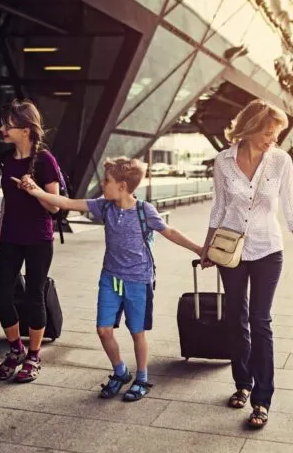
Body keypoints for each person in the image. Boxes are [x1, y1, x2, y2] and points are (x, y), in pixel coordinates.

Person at [18, 157, 203, 401]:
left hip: (138, 280)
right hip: (110, 278)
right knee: (103, 330)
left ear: (123, 186)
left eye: (107, 181)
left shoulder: (144, 210)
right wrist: (36, 191)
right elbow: (67, 202)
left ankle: (142, 379)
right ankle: (121, 372)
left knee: (137, 332)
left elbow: (170, 232)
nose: (102, 185)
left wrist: (200, 250)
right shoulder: (104, 206)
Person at [201, 100, 293, 429]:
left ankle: (262, 399)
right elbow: (219, 207)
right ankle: (242, 384)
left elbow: (292, 210)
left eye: (276, 134)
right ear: (249, 129)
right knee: (236, 317)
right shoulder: (223, 161)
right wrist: (207, 247)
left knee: (260, 321)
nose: (272, 140)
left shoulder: (280, 162)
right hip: (231, 251)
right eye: (267, 133)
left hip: (268, 250)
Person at [0, 100, 63, 384]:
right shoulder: (6, 158)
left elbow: (55, 207)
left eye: (7, 124)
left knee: (34, 297)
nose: (2, 129)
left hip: (38, 239)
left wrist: (34, 190)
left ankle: (34, 355)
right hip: (11, 237)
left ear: (25, 129)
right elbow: (7, 200)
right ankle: (15, 349)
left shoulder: (45, 160)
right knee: (0, 294)